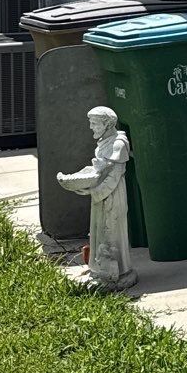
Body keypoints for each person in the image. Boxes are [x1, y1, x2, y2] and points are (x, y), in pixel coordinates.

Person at [57, 105, 134, 291]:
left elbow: (114, 176)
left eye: (94, 123)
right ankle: (100, 270)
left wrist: (93, 190)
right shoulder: (106, 141)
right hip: (102, 195)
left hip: (112, 196)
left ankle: (115, 273)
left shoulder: (118, 144)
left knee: (110, 232)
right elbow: (99, 171)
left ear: (107, 124)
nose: (91, 127)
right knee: (99, 231)